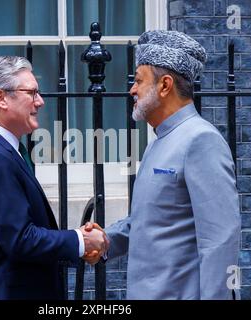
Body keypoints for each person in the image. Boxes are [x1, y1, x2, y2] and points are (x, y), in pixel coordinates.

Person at [84, 30, 241, 299]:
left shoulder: (200, 140)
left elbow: (220, 241)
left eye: (139, 81)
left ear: (165, 85)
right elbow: (149, 222)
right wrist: (104, 240)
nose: (132, 89)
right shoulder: (160, 140)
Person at [0, 56, 107, 300]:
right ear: (0, 98)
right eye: (31, 93)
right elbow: (20, 239)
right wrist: (81, 240)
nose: (40, 102)